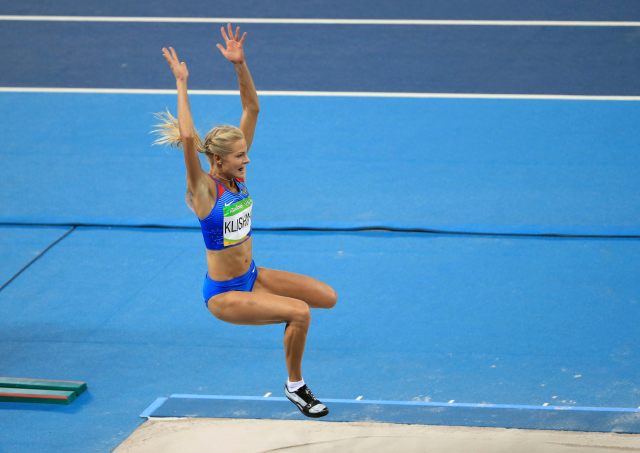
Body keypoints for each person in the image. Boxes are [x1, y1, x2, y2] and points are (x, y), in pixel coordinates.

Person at [154, 24, 337, 418]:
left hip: (252, 274)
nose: (247, 159)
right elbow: (188, 139)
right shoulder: (204, 191)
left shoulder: (234, 176)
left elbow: (252, 108)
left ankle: (283, 326)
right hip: (223, 295)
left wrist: (240, 64)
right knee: (299, 311)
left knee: (327, 298)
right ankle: (295, 386)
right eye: (239, 156)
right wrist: (182, 83)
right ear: (217, 160)